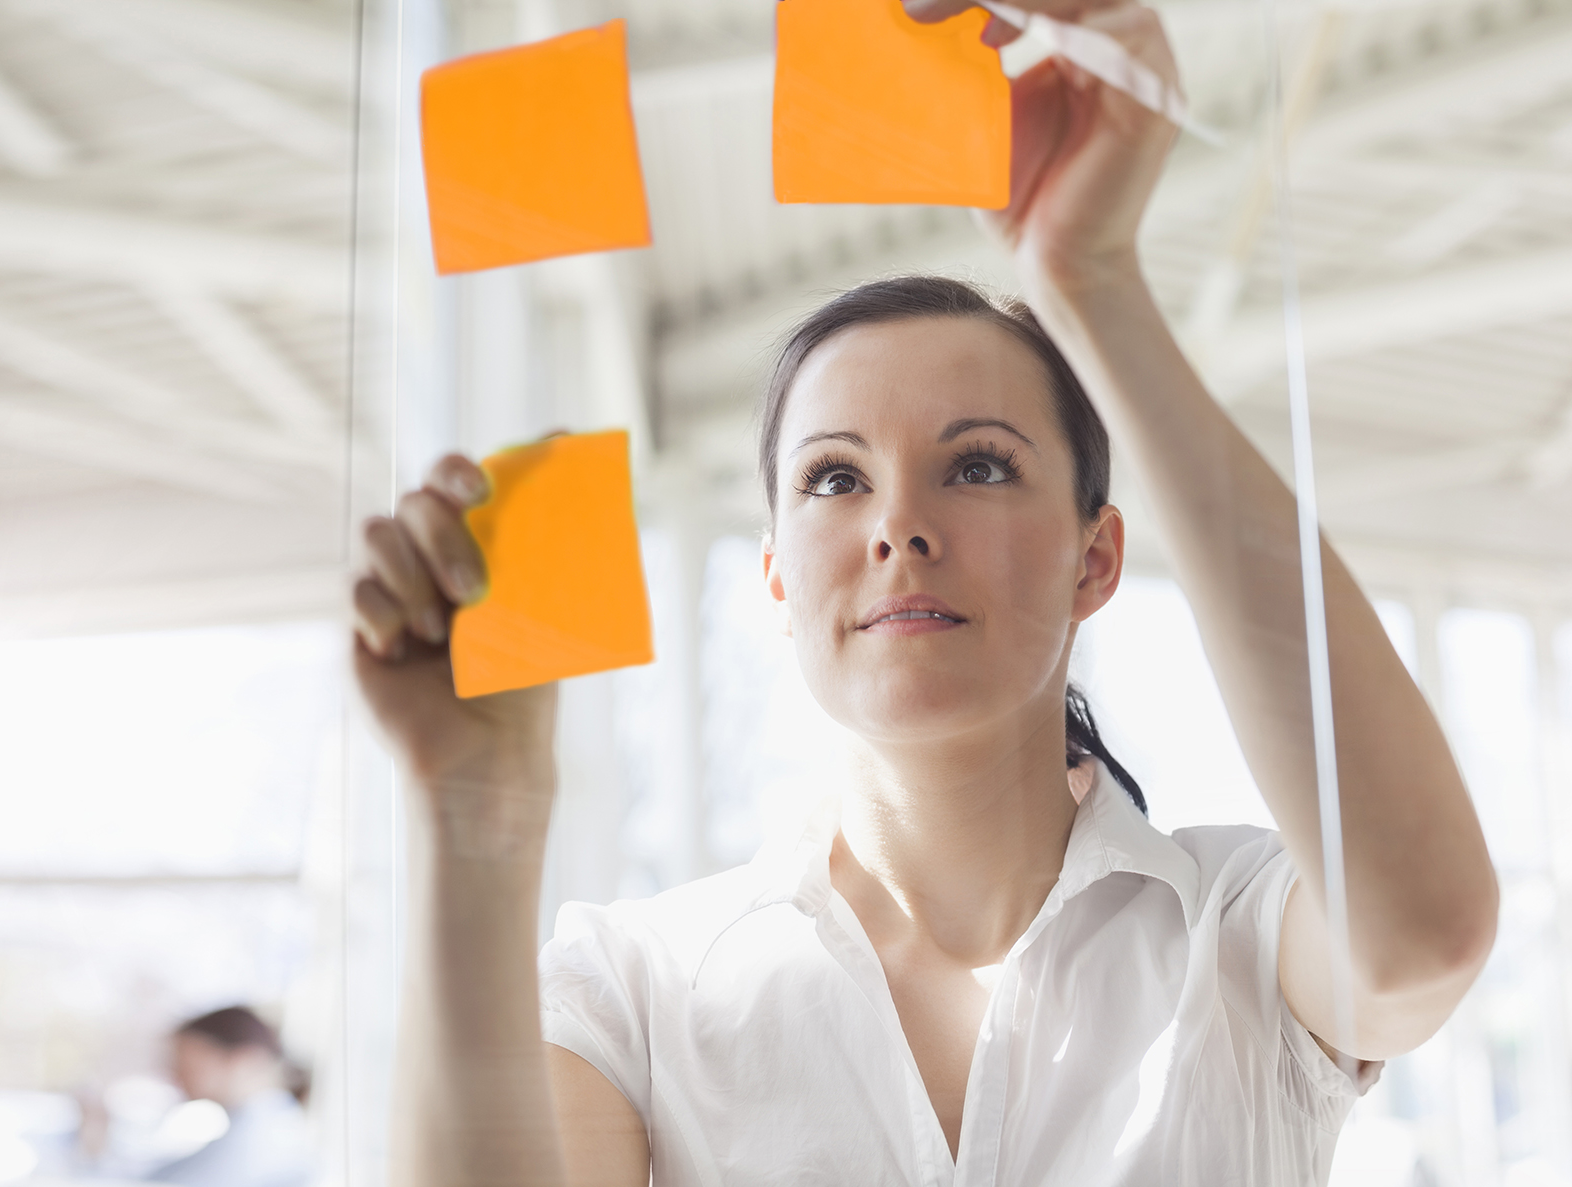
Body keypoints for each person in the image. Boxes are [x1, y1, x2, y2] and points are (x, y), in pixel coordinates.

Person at [350, 2, 1499, 1183]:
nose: (898, 524)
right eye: (836, 477)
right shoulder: (638, 986)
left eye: (980, 465)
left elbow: (1419, 929)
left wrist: (1094, 279)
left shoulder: (1239, 932)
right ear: (777, 581)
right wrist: (476, 814)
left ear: (1095, 559)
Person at [148, 1006, 312, 1187]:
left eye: (184, 1062)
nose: (175, 1074)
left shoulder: (256, 1140)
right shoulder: (265, 1124)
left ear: (242, 1059)